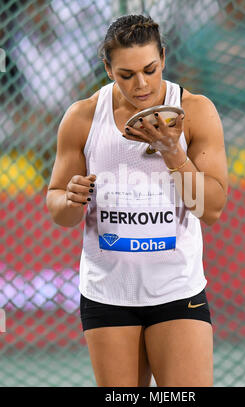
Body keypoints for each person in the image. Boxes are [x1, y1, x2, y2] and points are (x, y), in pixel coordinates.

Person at [46, 14, 228, 387]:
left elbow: (210, 209)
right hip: (107, 294)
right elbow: (59, 211)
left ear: (162, 56)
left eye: (150, 69)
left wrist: (171, 151)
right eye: (126, 75)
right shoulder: (82, 117)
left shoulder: (195, 110)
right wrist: (71, 198)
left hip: (177, 290)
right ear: (107, 68)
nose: (141, 84)